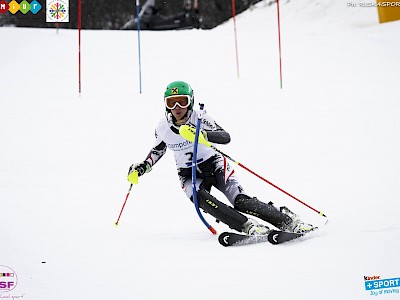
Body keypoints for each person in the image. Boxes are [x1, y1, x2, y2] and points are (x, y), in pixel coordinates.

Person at [128, 81, 316, 235]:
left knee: (240, 201)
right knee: (202, 200)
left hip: (215, 164)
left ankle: (288, 221)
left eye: (182, 102)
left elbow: (225, 136)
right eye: (172, 103)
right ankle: (246, 226)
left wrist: (203, 135)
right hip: (188, 173)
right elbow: (158, 150)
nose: (177, 108)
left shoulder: (200, 117)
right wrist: (142, 167)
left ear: (191, 101)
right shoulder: (162, 127)